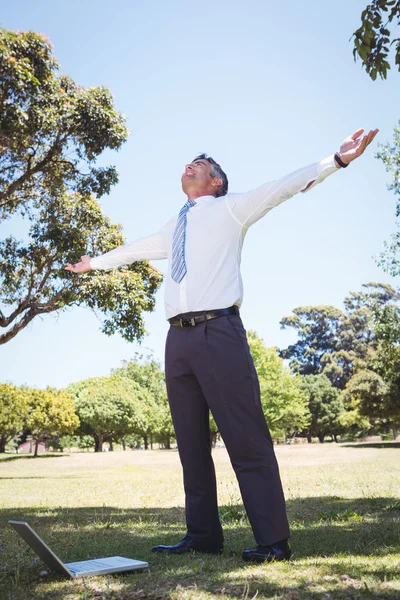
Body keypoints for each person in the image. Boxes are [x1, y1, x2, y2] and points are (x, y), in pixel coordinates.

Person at [66, 127, 379, 563]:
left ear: (216, 182)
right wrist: (94, 263)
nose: (191, 165)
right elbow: (137, 249)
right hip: (178, 340)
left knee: (245, 438)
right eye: (188, 163)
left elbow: (283, 187)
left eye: (202, 164)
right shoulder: (173, 224)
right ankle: (203, 535)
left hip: (219, 334)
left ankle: (273, 540)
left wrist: (337, 160)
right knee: (190, 444)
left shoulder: (232, 209)